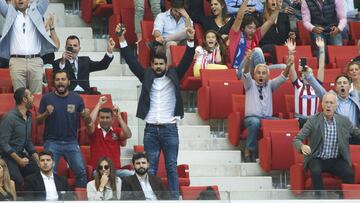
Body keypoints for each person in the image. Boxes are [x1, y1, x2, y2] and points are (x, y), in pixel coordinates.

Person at [117, 23, 195, 199]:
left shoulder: (175, 74)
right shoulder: (146, 75)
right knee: (150, 168)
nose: (158, 66)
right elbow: (131, 61)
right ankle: (149, 198)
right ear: (151, 64)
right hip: (151, 129)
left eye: (161, 64)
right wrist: (121, 39)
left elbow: (187, 59)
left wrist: (190, 40)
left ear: (166, 64)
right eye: (155, 64)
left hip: (170, 128)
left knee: (171, 165)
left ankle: (174, 199)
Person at [293, 92, 360, 198]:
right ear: (322, 104)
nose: (328, 105)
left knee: (349, 173)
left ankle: (345, 198)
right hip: (316, 157)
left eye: (331, 103)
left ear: (336, 105)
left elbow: (357, 133)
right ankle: (320, 198)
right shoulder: (313, 120)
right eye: (326, 102)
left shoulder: (344, 121)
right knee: (316, 170)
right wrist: (302, 146)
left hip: (335, 159)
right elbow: (297, 139)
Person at [36, 70, 92, 188]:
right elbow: (37, 121)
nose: (60, 82)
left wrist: (86, 115)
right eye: (57, 80)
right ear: (54, 82)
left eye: (63, 79)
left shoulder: (77, 98)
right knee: (50, 173)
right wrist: (46, 113)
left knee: (81, 172)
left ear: (68, 82)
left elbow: (86, 119)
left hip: (71, 142)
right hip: (51, 142)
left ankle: (80, 199)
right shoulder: (46, 98)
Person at [241, 50, 292, 162]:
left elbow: (283, 76)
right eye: (258, 73)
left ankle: (278, 153)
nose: (261, 75)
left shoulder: (270, 85)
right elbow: (245, 74)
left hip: (267, 119)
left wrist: (288, 65)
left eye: (264, 73)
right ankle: (249, 150)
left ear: (268, 76)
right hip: (251, 118)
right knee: (255, 122)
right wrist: (248, 61)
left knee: (283, 123)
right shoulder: (249, 84)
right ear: (254, 75)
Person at [0, 0, 57, 94]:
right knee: (19, 96)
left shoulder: (37, 11)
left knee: (36, 96)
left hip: (35, 60)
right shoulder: (9, 12)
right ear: (14, 1)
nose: (20, 0)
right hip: (16, 61)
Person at [229, 0, 284, 78]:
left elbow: (270, 21)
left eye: (254, 28)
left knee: (284, 67)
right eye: (250, 28)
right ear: (242, 28)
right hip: (240, 70)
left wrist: (278, 7)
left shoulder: (255, 35)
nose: (253, 31)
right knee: (257, 50)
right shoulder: (235, 36)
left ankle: (263, 76)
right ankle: (263, 76)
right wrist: (245, 2)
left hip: (255, 69)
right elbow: (239, 17)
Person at [0, 87, 39, 190]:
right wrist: (19, 160)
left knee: (38, 170)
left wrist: (37, 158)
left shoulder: (29, 117)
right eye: (31, 95)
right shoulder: (9, 118)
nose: (33, 97)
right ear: (25, 99)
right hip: (7, 157)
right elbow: (3, 144)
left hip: (21, 155)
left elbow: (28, 141)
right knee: (17, 180)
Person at [87, 96, 133, 178]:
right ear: (98, 119)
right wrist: (99, 104)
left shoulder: (117, 131)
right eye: (102, 117)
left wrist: (118, 116)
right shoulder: (94, 130)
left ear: (112, 119)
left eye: (107, 117)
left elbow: (128, 135)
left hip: (116, 171)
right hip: (98, 171)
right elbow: (89, 122)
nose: (105, 120)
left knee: (133, 175)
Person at [286, 37, 325, 128]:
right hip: (300, 120)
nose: (307, 74)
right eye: (305, 72)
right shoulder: (298, 85)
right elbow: (291, 68)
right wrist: (291, 52)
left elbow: (321, 67)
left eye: (309, 72)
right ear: (301, 76)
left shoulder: (317, 86)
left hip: (314, 120)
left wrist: (322, 49)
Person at [152, 0, 192, 65]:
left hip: (181, 44)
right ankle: (167, 70)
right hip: (164, 45)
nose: (177, 14)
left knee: (188, 30)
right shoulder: (162, 16)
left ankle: (166, 39)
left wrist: (187, 17)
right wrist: (159, 36)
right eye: (175, 11)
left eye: (180, 12)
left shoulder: (186, 19)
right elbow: (157, 30)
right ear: (171, 7)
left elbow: (190, 34)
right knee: (172, 43)